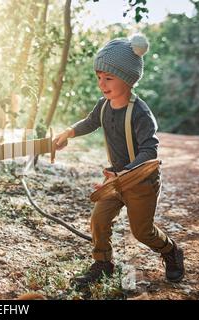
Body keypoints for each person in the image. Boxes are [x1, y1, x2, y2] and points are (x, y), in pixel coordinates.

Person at [52, 34, 185, 287]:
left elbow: (150, 150)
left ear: (129, 79)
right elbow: (91, 122)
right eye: (99, 77)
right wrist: (70, 131)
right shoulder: (103, 105)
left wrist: (126, 172)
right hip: (114, 180)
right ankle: (103, 263)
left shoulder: (140, 113)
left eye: (109, 78)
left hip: (141, 181)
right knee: (99, 220)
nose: (102, 84)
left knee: (142, 232)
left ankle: (170, 251)